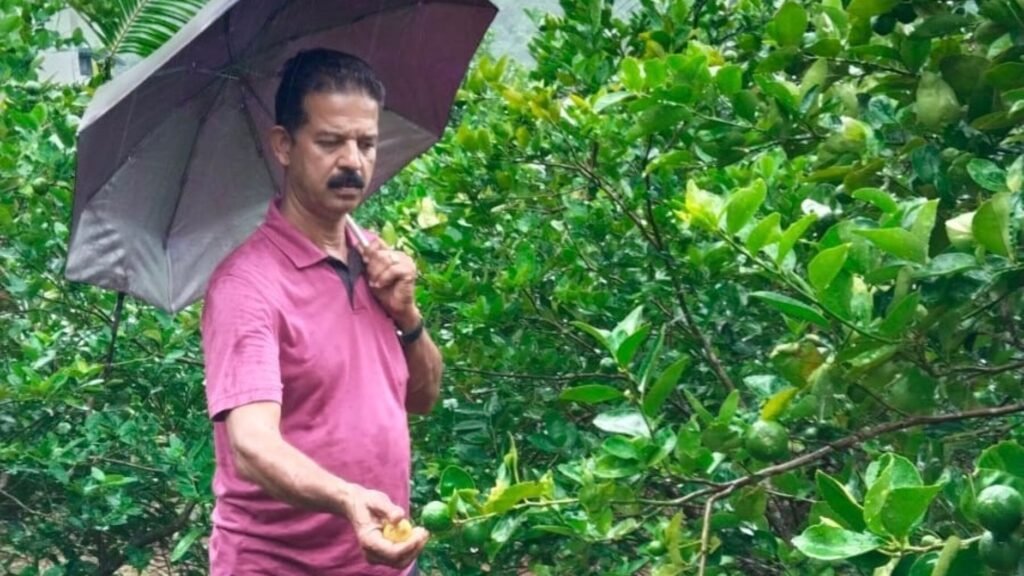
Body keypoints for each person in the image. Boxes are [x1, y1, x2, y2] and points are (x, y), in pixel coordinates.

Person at [200, 48, 443, 575]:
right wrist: (347, 499)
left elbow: (422, 398)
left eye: (366, 143)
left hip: (381, 564)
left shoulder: (375, 260)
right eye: (330, 142)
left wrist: (407, 316)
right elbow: (252, 445)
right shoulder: (248, 286)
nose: (353, 161)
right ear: (284, 145)